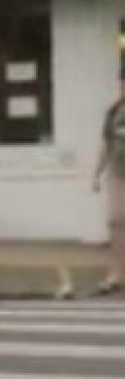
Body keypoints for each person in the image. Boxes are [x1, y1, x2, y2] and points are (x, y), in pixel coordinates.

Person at [88, 81, 125, 296]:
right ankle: (118, 272)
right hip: (117, 173)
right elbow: (106, 144)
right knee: (116, 221)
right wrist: (96, 173)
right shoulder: (113, 113)